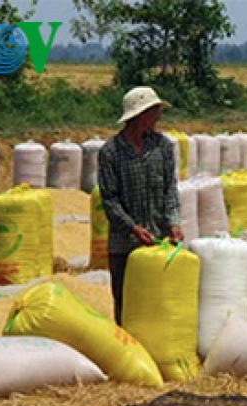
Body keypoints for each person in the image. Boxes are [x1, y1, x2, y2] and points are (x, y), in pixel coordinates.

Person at [98, 86, 184, 325]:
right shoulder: (111, 152)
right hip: (125, 245)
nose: (158, 117)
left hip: (159, 243)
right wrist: (132, 228)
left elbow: (170, 189)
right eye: (154, 111)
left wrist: (174, 222)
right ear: (138, 115)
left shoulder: (163, 147)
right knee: (127, 307)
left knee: (158, 306)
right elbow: (109, 199)